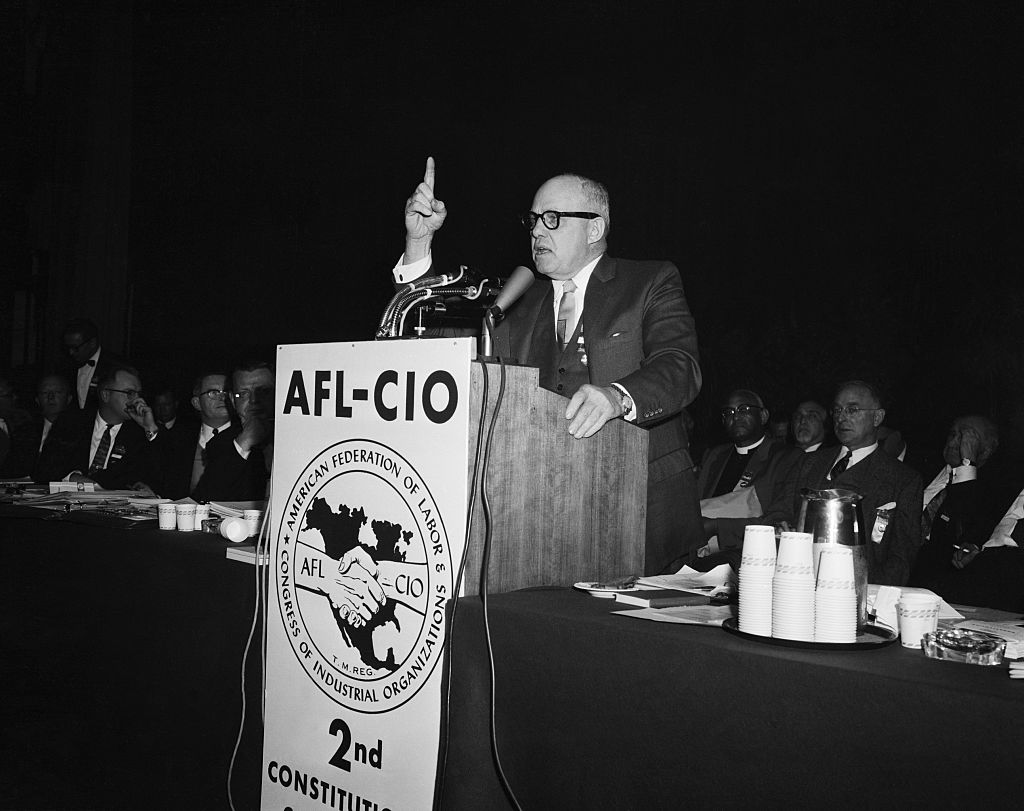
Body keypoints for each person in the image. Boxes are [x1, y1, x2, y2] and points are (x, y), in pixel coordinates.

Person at [394, 157, 703, 574]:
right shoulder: (518, 300)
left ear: (594, 229)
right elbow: (431, 340)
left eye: (553, 219)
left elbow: (680, 366)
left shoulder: (649, 282)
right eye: (534, 220)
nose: (537, 231)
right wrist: (418, 244)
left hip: (644, 513)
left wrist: (617, 396)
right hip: (545, 520)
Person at [715, 380, 923, 585]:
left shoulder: (902, 480)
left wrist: (868, 594)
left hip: (858, 589)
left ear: (877, 417)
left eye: (852, 410)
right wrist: (779, 526)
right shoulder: (809, 462)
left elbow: (900, 560)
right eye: (837, 410)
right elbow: (779, 511)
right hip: (795, 582)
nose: (842, 417)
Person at [696, 389, 802, 556]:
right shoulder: (714, 456)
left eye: (743, 409)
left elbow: (781, 518)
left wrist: (717, 526)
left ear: (763, 416)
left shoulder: (786, 457)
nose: (736, 417)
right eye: (729, 412)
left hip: (751, 552)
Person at [909, 416, 1008, 588]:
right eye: (953, 434)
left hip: (933, 580)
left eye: (967, 438)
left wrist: (967, 463)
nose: (954, 442)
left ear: (986, 451)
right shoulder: (921, 468)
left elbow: (961, 529)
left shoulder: (992, 492)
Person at [34, 365, 164, 491]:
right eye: (130, 393)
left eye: (138, 394)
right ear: (105, 394)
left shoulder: (141, 432)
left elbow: (157, 476)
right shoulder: (71, 423)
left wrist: (150, 427)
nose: (137, 400)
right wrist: (72, 477)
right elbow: (45, 470)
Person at [192, 361, 274, 502]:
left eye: (264, 392)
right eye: (243, 394)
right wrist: (244, 442)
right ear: (231, 399)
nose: (254, 400)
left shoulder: (301, 436)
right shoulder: (220, 445)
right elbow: (205, 499)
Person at [157, 373, 234, 500]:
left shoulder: (249, 440)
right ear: (197, 403)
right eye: (213, 393)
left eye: (226, 392)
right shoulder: (180, 439)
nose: (222, 397)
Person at [61, 317, 130, 410]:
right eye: (68, 347)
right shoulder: (65, 366)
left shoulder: (117, 366)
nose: (71, 352)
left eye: (75, 348)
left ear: (92, 343)